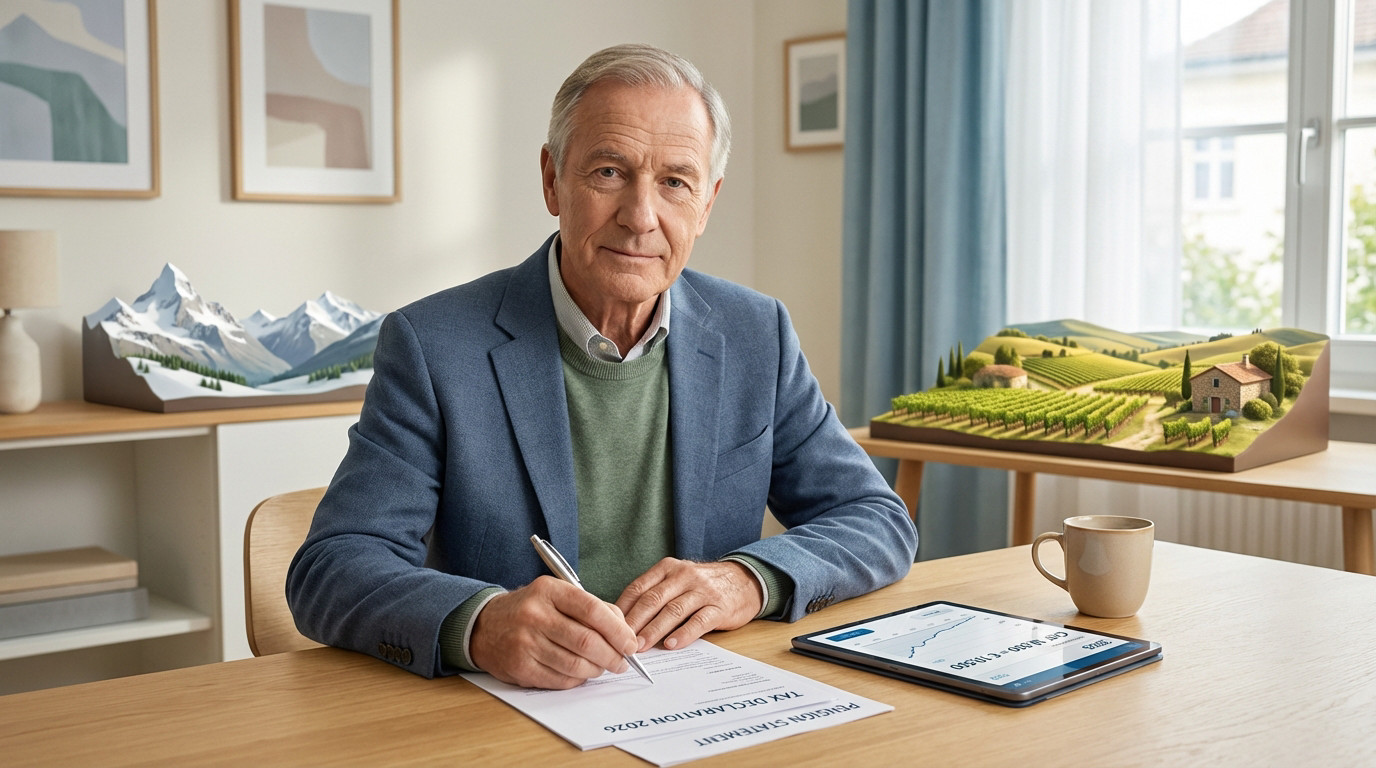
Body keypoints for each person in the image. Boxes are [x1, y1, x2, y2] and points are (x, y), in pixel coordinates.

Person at [287, 43, 917, 690]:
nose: (642, 217)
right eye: (610, 172)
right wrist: (479, 624)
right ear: (552, 179)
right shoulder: (434, 346)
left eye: (675, 181)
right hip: (504, 716)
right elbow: (332, 568)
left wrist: (746, 581)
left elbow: (877, 522)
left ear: (707, 203)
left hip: (701, 704)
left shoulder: (757, 334)